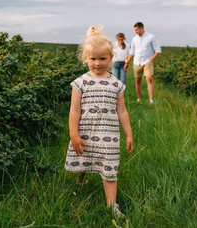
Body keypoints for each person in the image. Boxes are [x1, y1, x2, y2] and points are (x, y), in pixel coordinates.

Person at [65, 25, 134, 219]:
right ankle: (81, 179)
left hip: (109, 136)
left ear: (111, 58)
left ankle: (111, 205)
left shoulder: (116, 84)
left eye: (102, 58)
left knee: (109, 168)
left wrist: (128, 134)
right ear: (86, 58)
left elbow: (122, 111)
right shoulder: (80, 83)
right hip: (86, 132)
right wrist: (74, 135)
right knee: (85, 158)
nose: (97, 63)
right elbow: (74, 110)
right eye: (93, 58)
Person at [124, 22, 161, 104]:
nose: (136, 31)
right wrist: (127, 62)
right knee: (138, 80)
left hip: (147, 61)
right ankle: (139, 99)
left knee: (149, 78)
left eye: (137, 29)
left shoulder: (151, 37)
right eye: (135, 30)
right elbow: (132, 51)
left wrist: (150, 61)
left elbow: (158, 50)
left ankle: (151, 100)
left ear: (142, 28)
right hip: (137, 62)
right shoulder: (134, 39)